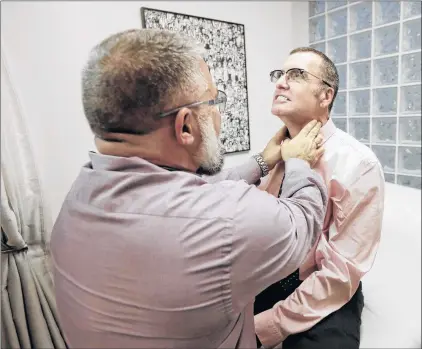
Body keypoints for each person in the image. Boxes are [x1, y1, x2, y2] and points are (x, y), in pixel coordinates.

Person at [50, 29, 328, 348]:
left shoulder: (77, 199)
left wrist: (262, 163)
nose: (218, 113)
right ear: (185, 126)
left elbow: (192, 198)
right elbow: (302, 222)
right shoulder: (229, 221)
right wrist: (299, 160)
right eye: (213, 101)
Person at [254, 47, 385, 349]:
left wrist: (269, 326)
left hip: (325, 288)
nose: (280, 83)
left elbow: (341, 273)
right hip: (264, 277)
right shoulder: (271, 154)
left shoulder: (359, 164)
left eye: (296, 75)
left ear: (326, 96)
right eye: (280, 74)